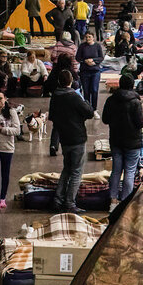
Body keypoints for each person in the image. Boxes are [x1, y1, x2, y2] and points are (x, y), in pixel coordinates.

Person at [47, 69, 93, 212]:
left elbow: (52, 116)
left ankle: (57, 200)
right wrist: (84, 100)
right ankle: (70, 202)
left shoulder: (55, 96)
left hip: (64, 139)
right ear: (71, 81)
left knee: (67, 169)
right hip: (77, 137)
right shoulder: (74, 96)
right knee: (76, 171)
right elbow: (89, 112)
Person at [102, 75, 143, 209]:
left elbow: (105, 119)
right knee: (130, 171)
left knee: (116, 170)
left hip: (116, 140)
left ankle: (113, 202)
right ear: (132, 85)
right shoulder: (135, 102)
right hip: (132, 142)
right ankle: (125, 204)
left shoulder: (111, 100)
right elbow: (141, 123)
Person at [75, 30, 105, 108]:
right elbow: (77, 57)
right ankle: (87, 107)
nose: (88, 39)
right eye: (86, 37)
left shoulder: (97, 46)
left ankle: (94, 108)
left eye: (89, 37)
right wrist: (85, 61)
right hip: (84, 71)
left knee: (94, 90)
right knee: (86, 91)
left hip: (95, 71)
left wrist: (93, 61)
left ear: (93, 38)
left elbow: (101, 57)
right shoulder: (82, 46)